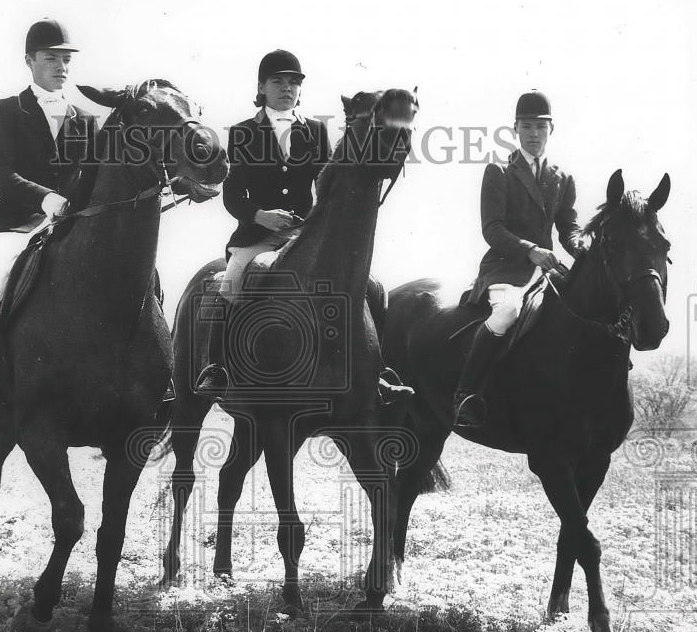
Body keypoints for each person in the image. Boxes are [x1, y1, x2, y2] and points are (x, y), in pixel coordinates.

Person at [193, 49, 413, 404]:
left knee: (372, 286)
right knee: (232, 279)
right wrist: (260, 215)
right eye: (278, 81)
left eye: (293, 82)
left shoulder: (314, 130)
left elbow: (325, 184)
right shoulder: (243, 132)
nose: (287, 88)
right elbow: (233, 195)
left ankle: (378, 371)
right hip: (257, 237)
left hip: (304, 233)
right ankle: (218, 368)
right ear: (261, 87)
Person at [0, 18, 96, 415]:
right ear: (29, 61)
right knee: (1, 271)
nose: (60, 66)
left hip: (70, 224)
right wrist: (45, 199)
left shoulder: (88, 121)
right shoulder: (7, 110)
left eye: (65, 59)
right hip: (15, 222)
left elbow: (96, 178)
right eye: (51, 58)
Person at [453, 90, 585, 428]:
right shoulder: (499, 171)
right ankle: (465, 394)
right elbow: (493, 229)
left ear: (551, 129)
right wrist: (530, 250)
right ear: (516, 129)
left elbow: (568, 228)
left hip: (548, 269)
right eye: (527, 126)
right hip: (506, 267)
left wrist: (581, 247)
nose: (534, 133)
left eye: (541, 126)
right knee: (508, 311)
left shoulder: (562, 176)